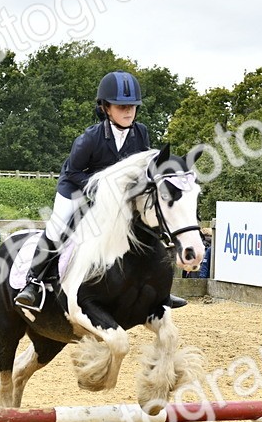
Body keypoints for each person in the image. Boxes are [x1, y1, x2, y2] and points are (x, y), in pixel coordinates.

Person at [14, 70, 186, 310]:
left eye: (132, 106)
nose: (128, 111)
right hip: (77, 188)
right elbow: (73, 172)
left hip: (118, 195)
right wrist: (101, 190)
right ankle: (33, 282)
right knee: (58, 227)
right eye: (120, 106)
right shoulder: (89, 139)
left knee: (147, 227)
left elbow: (142, 167)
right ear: (105, 107)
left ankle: (160, 292)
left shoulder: (141, 132)